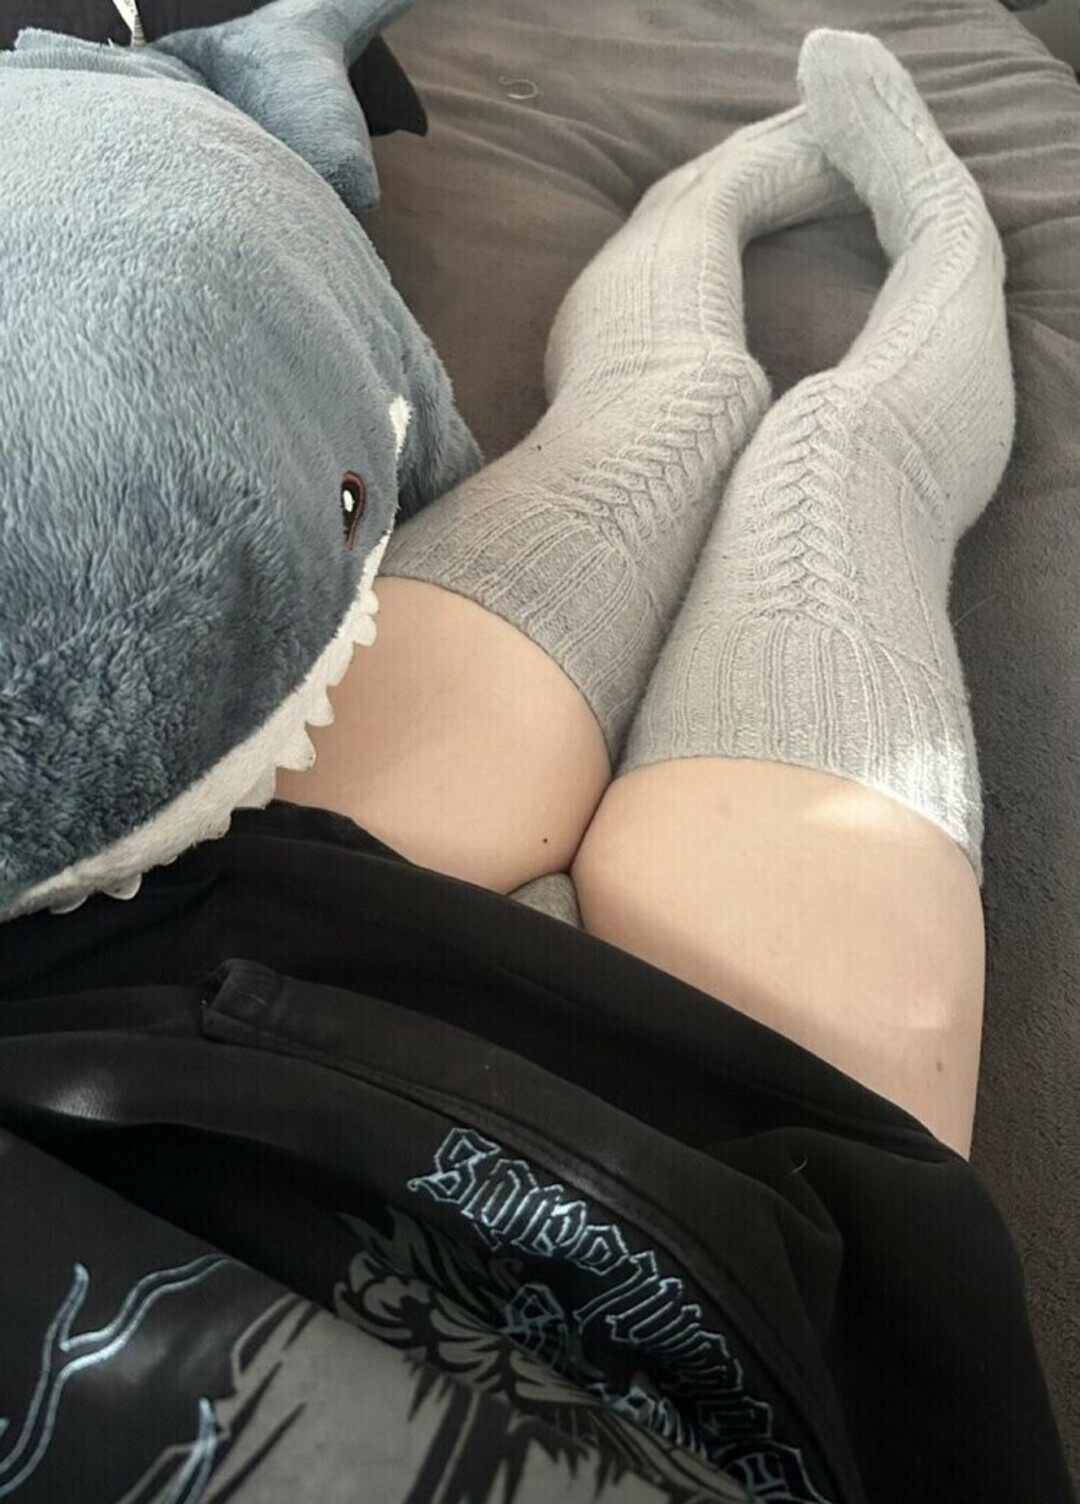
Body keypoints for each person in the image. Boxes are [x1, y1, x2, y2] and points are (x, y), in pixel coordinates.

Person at [0, 27, 1072, 1504]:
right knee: (838, 450)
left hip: (207, 979)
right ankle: (936, 212)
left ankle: (732, 187)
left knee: (661, 402)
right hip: (741, 1244)